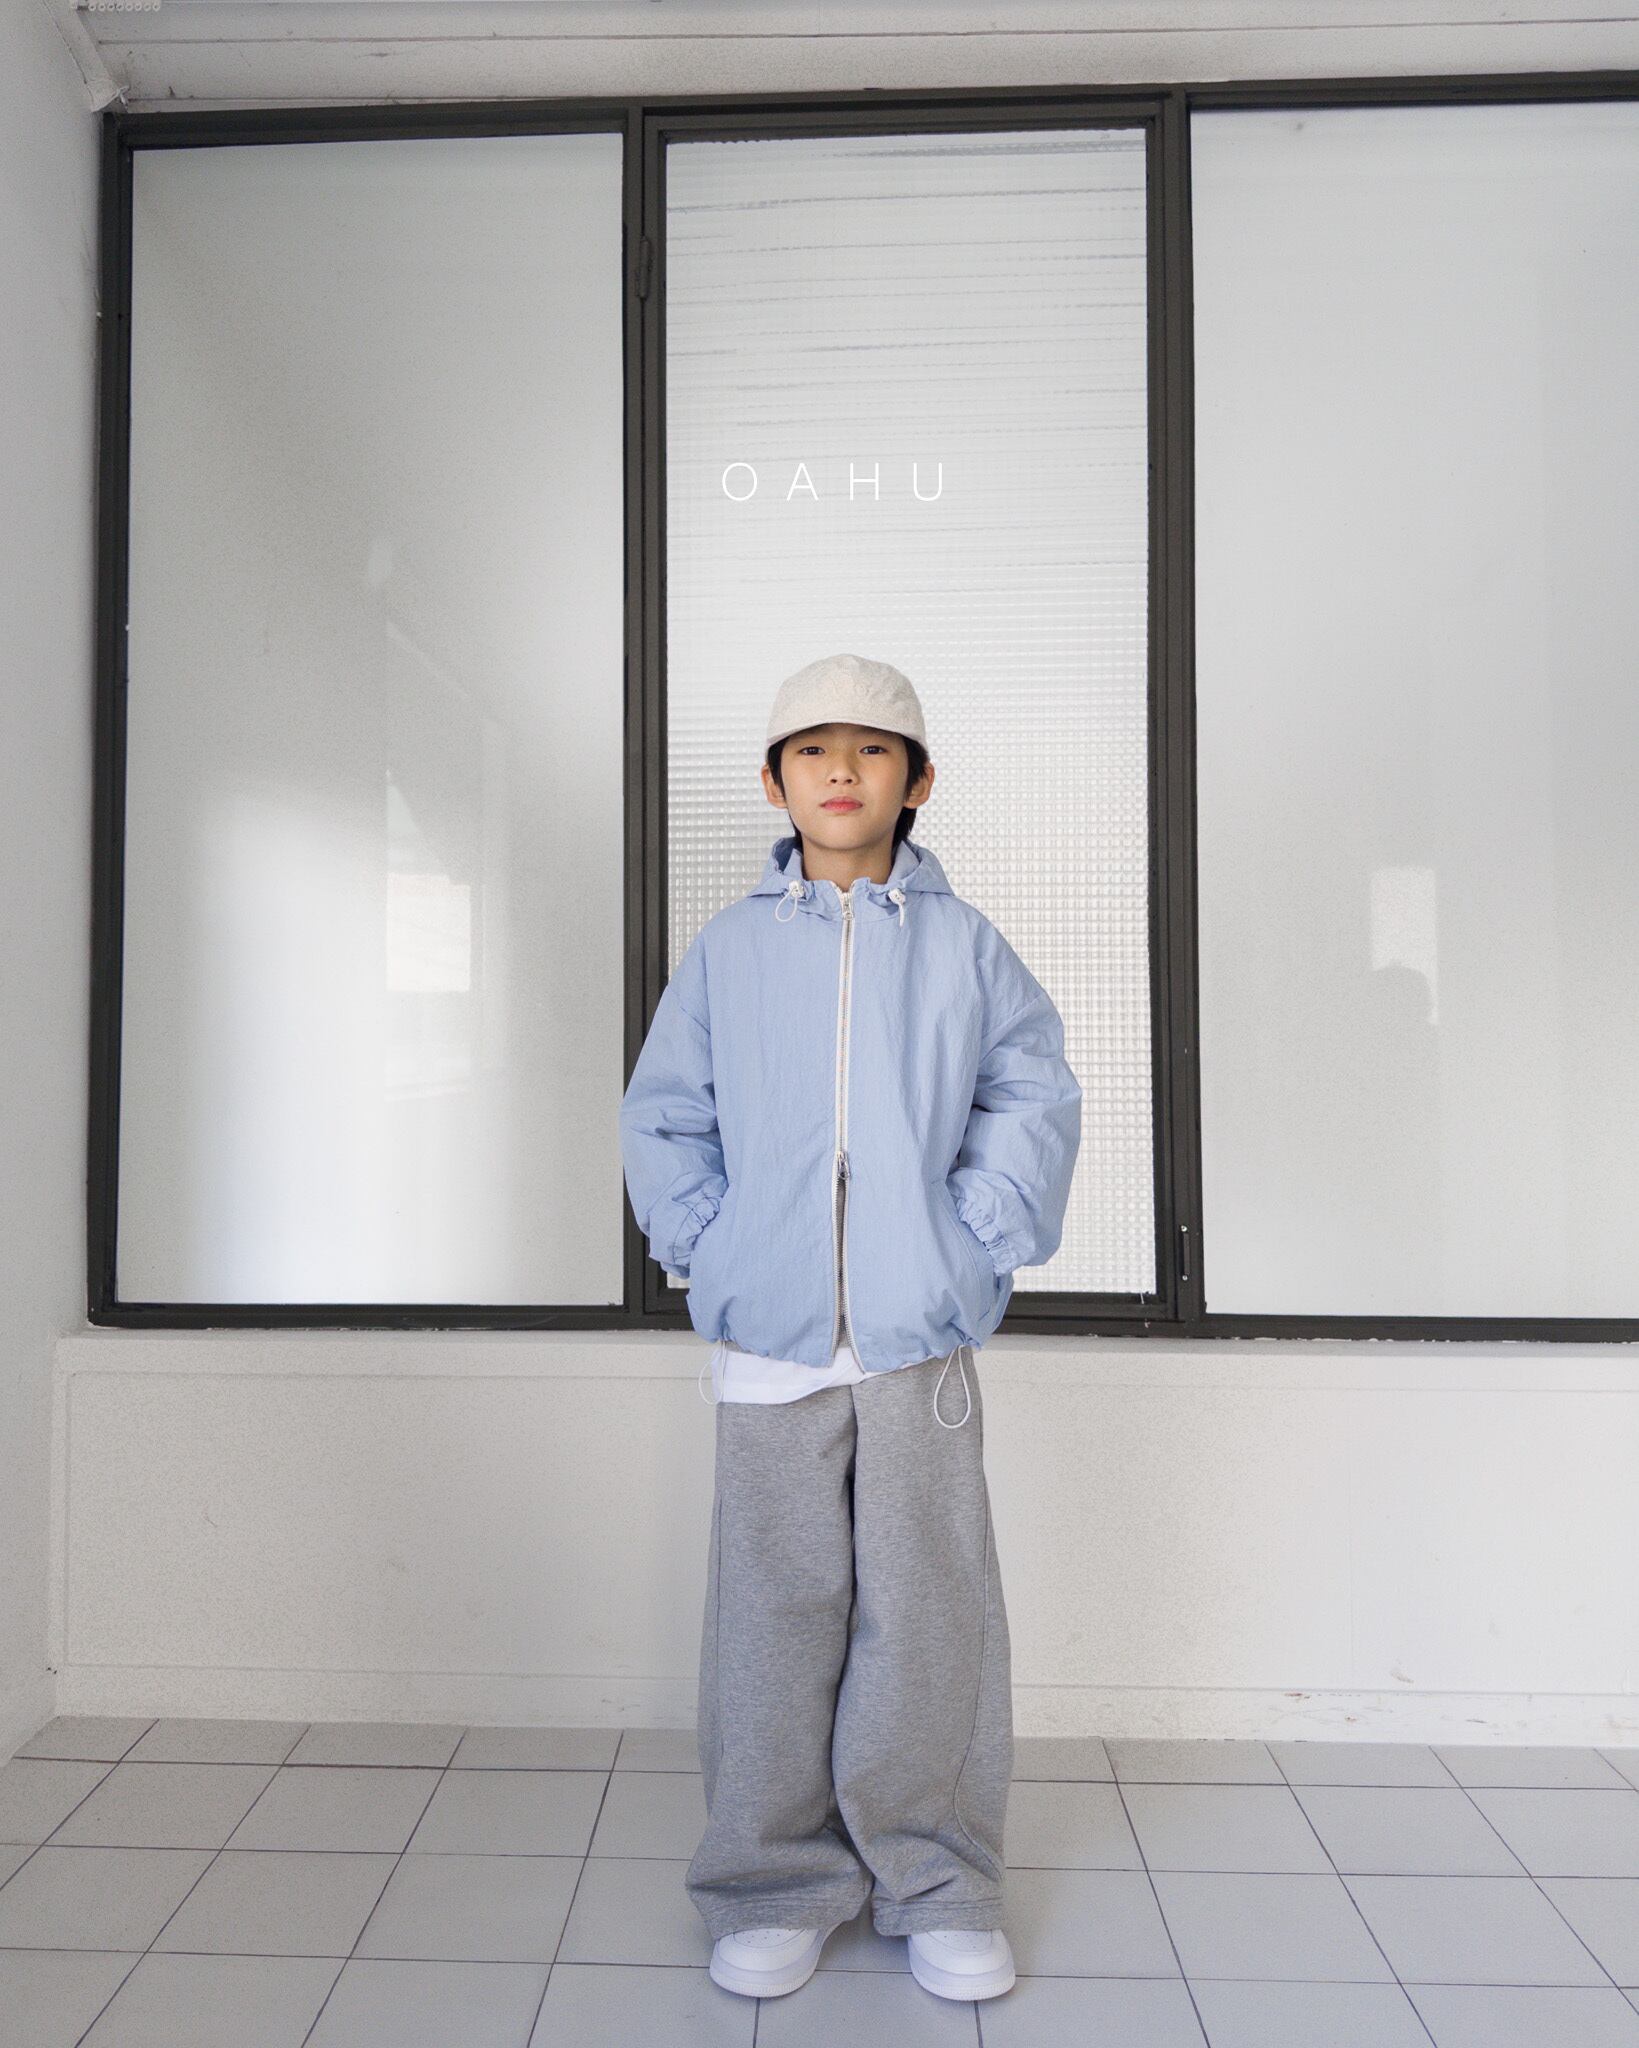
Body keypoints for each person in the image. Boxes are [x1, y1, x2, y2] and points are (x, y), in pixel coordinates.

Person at [618, 652, 1082, 2004]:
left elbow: (1033, 1095)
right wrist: (712, 1248)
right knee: (774, 1612)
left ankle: (935, 1880)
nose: (841, 770)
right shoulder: (731, 950)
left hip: (916, 1338)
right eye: (812, 749)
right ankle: (771, 1881)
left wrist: (970, 1241)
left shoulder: (965, 945)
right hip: (769, 1335)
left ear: (916, 782)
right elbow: (666, 1114)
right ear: (774, 783)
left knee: (927, 1611)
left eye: (872, 749)